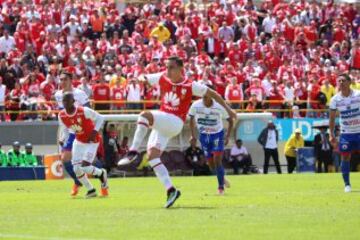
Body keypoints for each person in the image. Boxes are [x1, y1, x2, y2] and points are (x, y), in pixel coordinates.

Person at [118, 56, 236, 208]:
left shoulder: (190, 85)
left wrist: (228, 110)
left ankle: (132, 151)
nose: (168, 70)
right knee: (153, 158)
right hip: (163, 124)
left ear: (181, 69)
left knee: (144, 116)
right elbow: (145, 77)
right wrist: (140, 79)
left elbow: (214, 94)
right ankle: (171, 190)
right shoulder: (162, 77)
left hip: (174, 122)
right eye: (167, 67)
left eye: (171, 67)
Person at [58, 92, 108, 198]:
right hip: (79, 141)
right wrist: (63, 139)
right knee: (76, 169)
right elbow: (66, 130)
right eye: (64, 101)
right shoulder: (61, 115)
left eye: (67, 100)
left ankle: (102, 173)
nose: (65, 103)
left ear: (73, 101)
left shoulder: (83, 111)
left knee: (85, 167)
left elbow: (100, 118)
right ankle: (91, 190)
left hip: (92, 141)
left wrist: (95, 131)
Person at [188, 86, 234, 194]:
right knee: (210, 164)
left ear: (212, 94)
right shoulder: (196, 105)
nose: (204, 95)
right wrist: (193, 136)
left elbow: (230, 121)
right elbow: (191, 119)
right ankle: (222, 178)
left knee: (217, 160)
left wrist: (227, 136)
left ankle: (220, 188)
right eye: (203, 92)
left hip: (217, 135)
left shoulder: (219, 106)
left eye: (207, 93)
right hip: (204, 136)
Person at [55, 71, 90, 196]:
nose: (62, 82)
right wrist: (62, 135)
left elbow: (89, 109)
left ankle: (101, 177)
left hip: (81, 130)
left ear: (71, 80)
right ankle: (78, 181)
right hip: (69, 131)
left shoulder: (80, 94)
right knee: (65, 159)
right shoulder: (58, 95)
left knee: (84, 161)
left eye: (64, 79)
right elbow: (62, 116)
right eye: (60, 79)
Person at [329, 73, 360, 193]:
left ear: (349, 82)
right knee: (345, 156)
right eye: (339, 81)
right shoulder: (335, 99)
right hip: (346, 133)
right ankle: (347, 184)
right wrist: (331, 134)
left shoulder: (358, 95)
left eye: (343, 80)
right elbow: (331, 119)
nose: (341, 83)